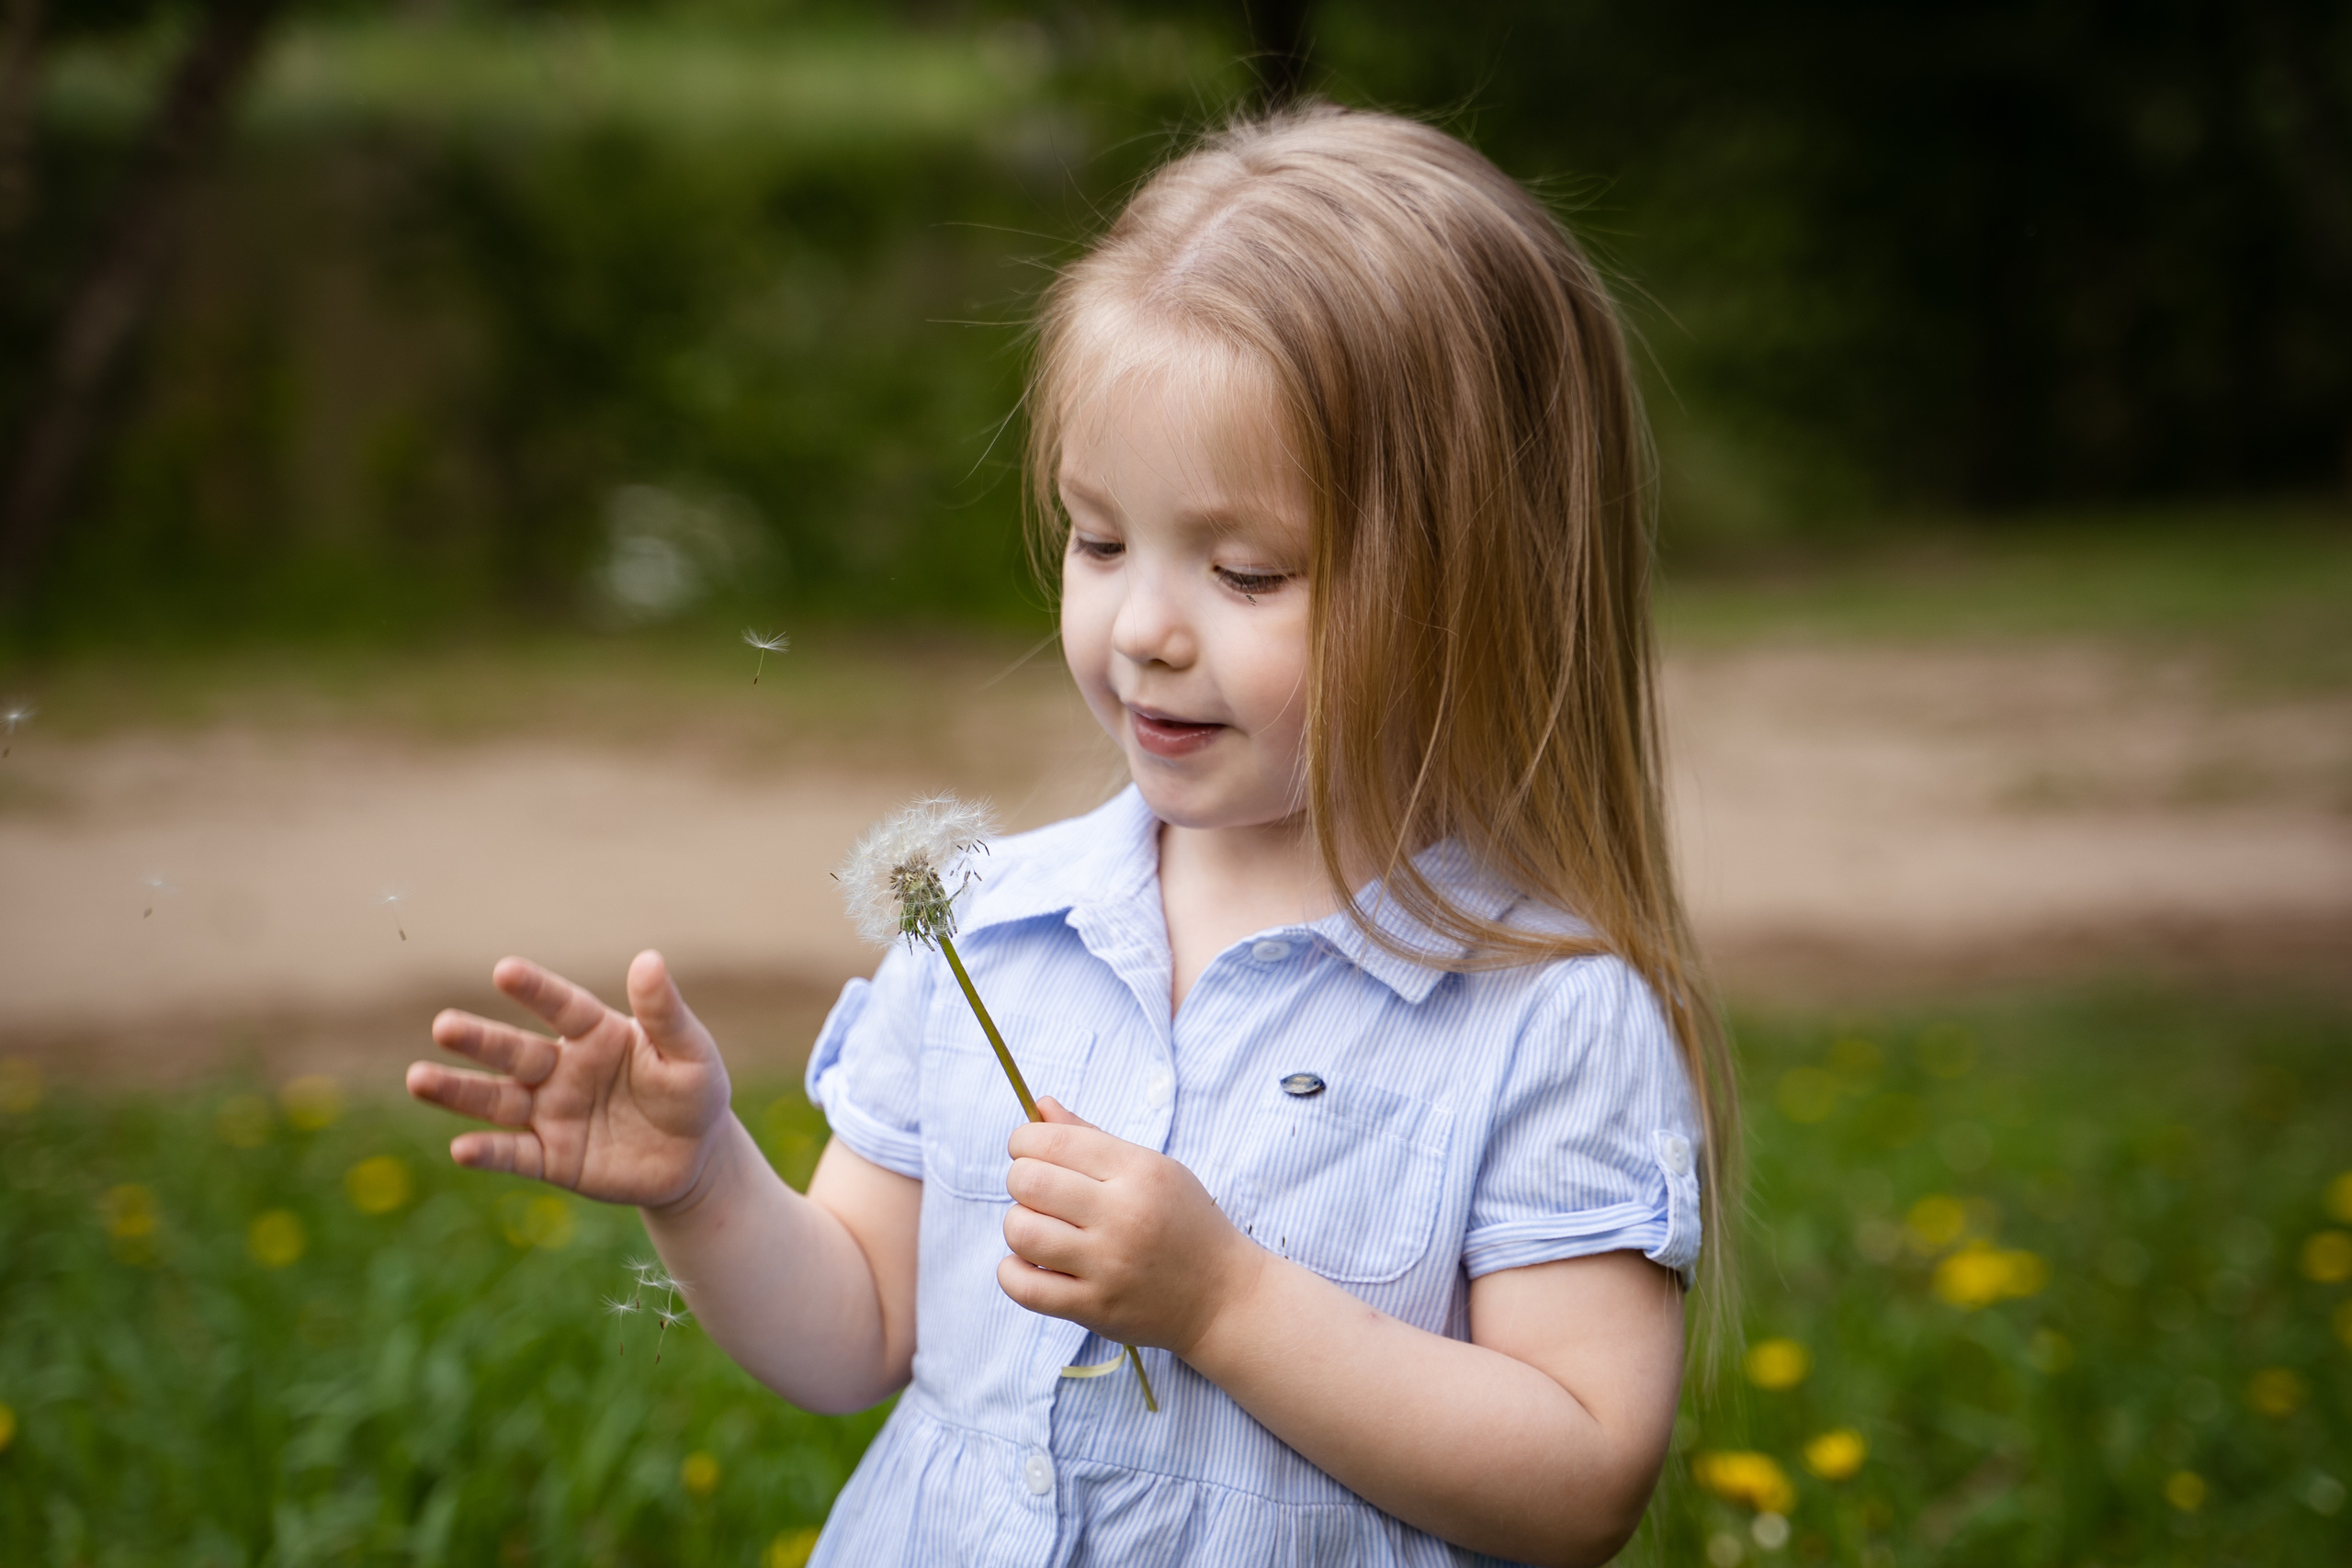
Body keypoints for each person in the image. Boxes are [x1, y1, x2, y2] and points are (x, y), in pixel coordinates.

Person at [408, 102, 1738, 1567]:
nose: (1142, 628)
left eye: (1247, 572)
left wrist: (1226, 1301)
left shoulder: (1546, 1014)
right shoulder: (986, 929)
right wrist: (704, 1178)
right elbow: (856, 1333)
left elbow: (1580, 1479)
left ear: (1478, 584)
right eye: (1100, 541)